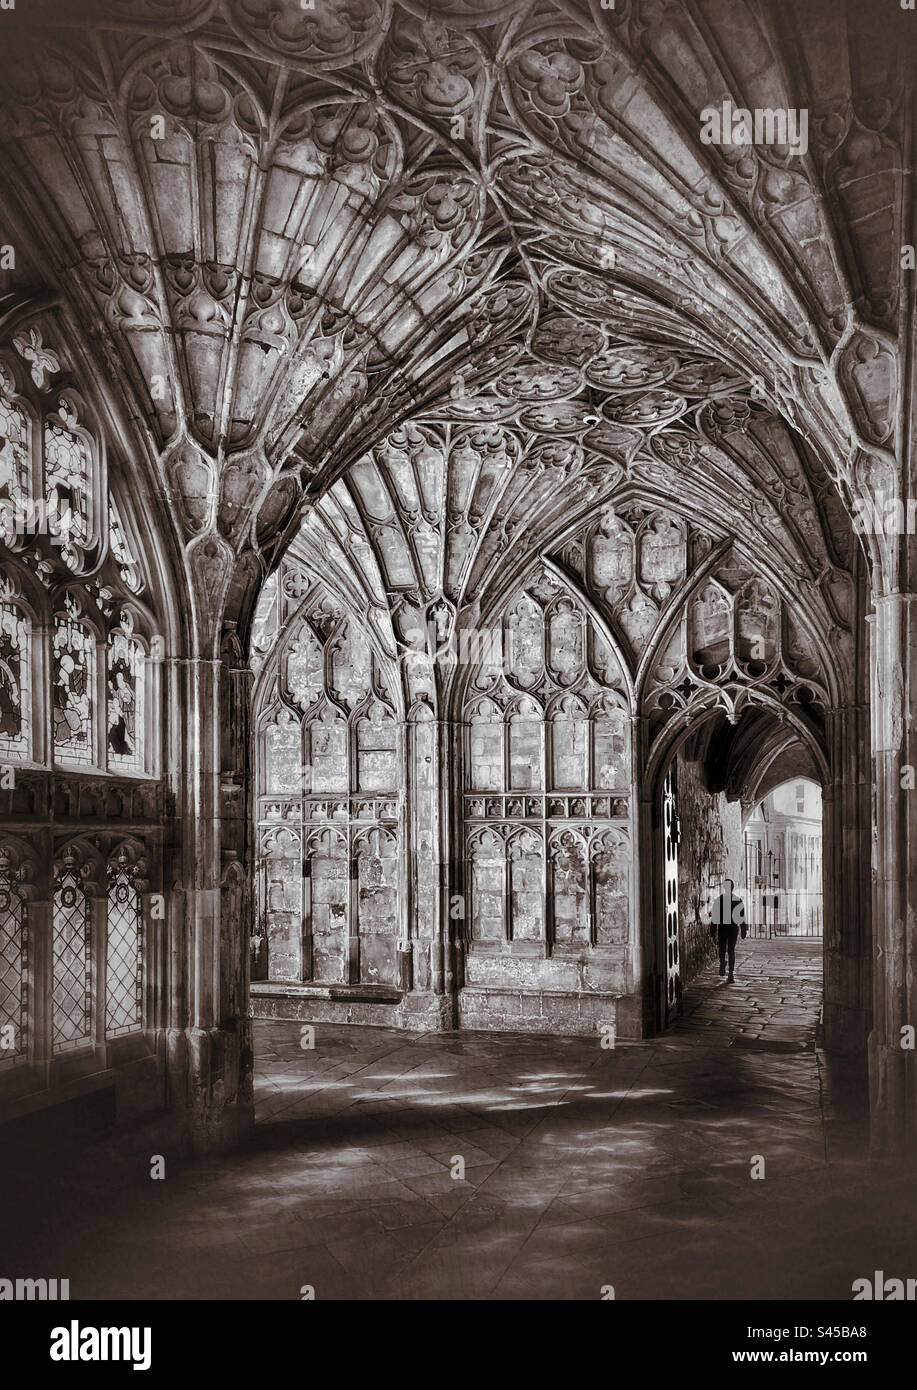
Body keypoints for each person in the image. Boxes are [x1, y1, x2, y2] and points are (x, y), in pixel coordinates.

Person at [708, 878, 746, 982]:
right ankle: (730, 973)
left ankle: (725, 966)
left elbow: (715, 917)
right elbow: (742, 917)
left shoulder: (719, 900)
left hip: (724, 927)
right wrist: (743, 929)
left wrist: (713, 929)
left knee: (723, 948)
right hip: (732, 928)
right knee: (730, 950)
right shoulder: (737, 900)